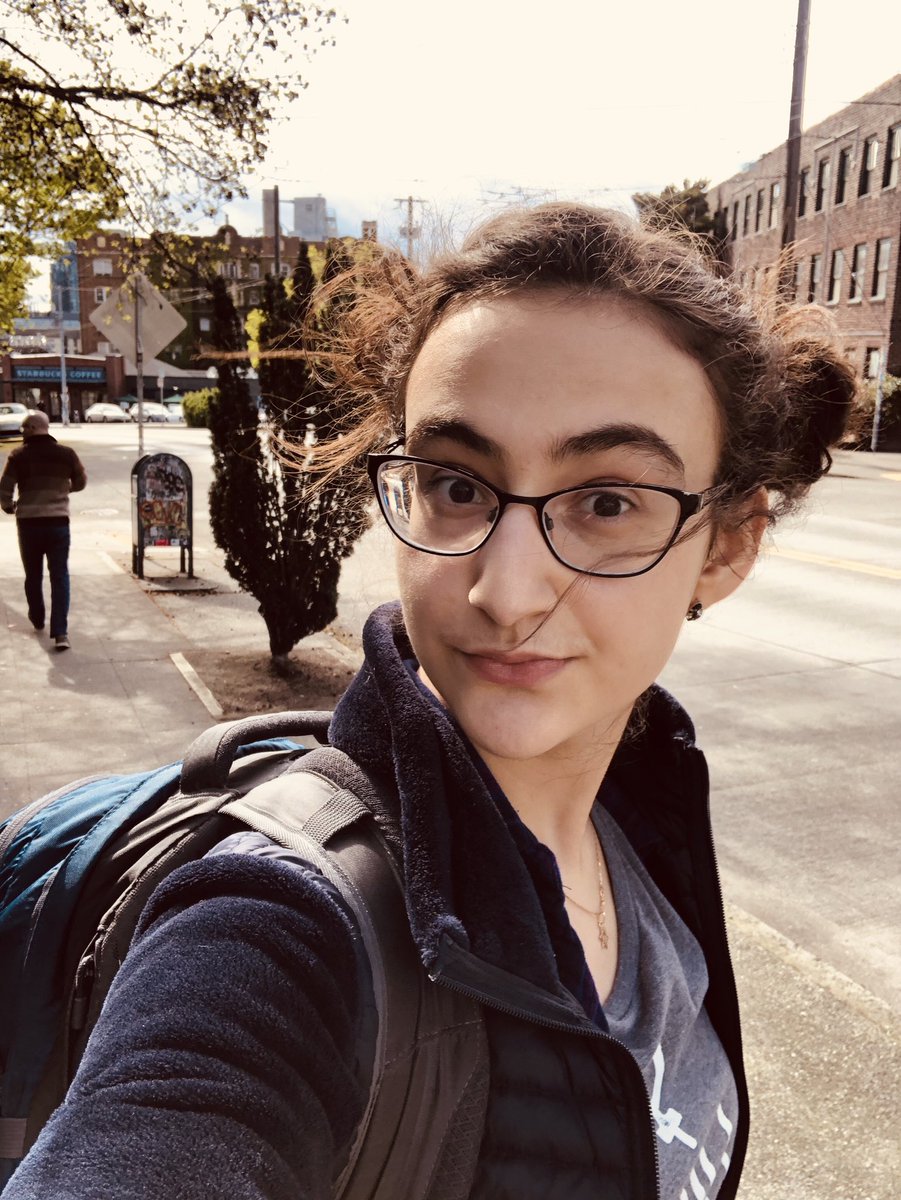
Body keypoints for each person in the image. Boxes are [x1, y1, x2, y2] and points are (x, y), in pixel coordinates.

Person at [5, 205, 855, 1199]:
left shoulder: (641, 823)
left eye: (606, 503)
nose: (506, 591)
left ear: (727, 546)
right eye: (456, 486)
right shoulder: (277, 927)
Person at [0, 410, 87, 651]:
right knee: (60, 576)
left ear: (32, 428)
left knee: (33, 574)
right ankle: (60, 633)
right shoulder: (67, 454)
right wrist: (64, 489)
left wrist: (8, 506)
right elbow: (81, 481)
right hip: (58, 523)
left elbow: (5, 489)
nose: (22, 433)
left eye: (24, 428)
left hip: (29, 524)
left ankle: (37, 617)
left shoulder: (18, 456)